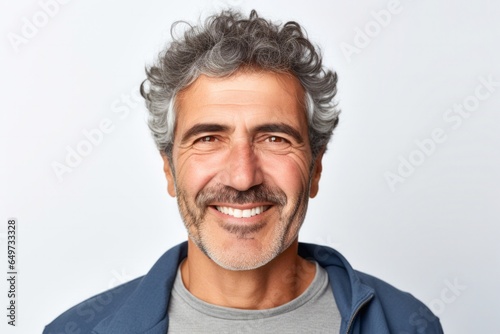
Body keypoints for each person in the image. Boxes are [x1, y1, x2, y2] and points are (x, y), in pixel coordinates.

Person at [44, 10, 444, 334]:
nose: (242, 177)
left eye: (274, 139)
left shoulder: (407, 324)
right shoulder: (77, 330)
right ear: (169, 170)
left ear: (316, 168)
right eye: (208, 138)